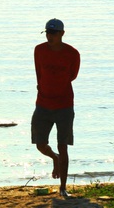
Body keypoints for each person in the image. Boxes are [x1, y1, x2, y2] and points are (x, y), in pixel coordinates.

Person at [31, 18, 80, 198]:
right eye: (47, 33)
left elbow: (72, 76)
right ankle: (55, 159)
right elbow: (39, 72)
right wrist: (43, 87)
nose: (49, 36)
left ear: (62, 34)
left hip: (64, 105)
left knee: (63, 145)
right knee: (40, 144)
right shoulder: (39, 50)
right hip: (43, 103)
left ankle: (63, 187)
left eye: (53, 33)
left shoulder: (72, 53)